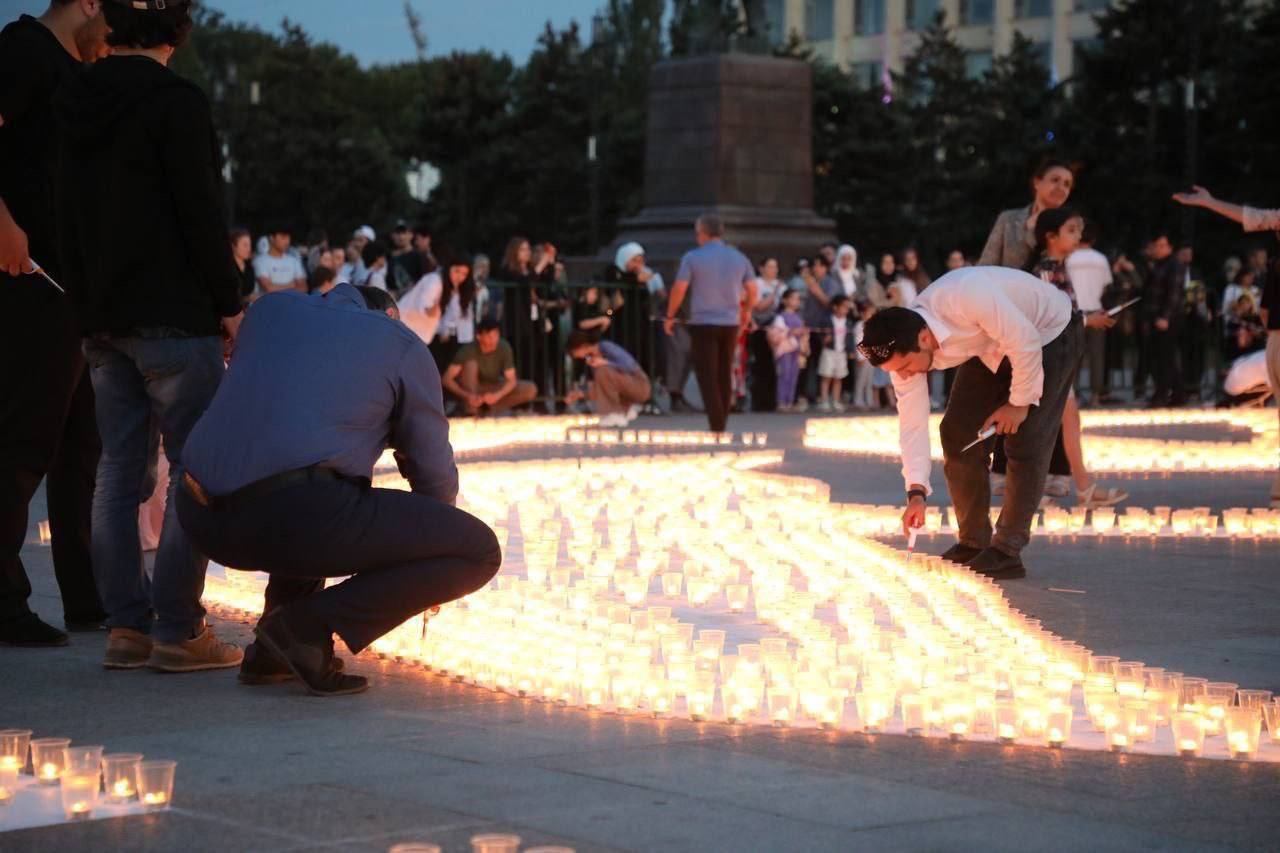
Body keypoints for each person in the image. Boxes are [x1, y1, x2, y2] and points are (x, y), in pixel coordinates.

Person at [178, 282, 498, 694]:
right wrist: (431, 557)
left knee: (317, 486)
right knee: (478, 551)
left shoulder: (268, 310)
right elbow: (433, 471)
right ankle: (303, 629)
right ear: (388, 317)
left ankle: (272, 653)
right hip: (291, 515)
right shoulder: (399, 343)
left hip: (198, 514)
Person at [54, 0, 245, 670]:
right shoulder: (177, 104)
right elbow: (200, 212)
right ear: (177, 29)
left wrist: (83, 300)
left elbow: (61, 211)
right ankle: (177, 628)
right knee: (194, 470)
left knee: (117, 469)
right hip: (172, 313)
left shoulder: (74, 100)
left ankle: (126, 627)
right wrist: (231, 301)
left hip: (102, 318)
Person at [0, 0, 110, 647]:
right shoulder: (21, 52)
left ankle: (89, 598)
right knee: (22, 443)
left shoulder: (78, 74)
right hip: (27, 282)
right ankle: (4, 599)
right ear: (87, 2)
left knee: (81, 447)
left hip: (74, 290)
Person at [859, 266, 1083, 580]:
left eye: (907, 366)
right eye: (898, 371)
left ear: (924, 338)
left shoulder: (966, 295)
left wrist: (1018, 405)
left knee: (1026, 439)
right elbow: (912, 424)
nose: (905, 375)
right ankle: (973, 541)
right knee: (957, 432)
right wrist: (916, 492)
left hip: (1047, 333)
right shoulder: (904, 355)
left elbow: (1025, 340)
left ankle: (1007, 549)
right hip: (989, 346)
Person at [1020, 208, 1127, 508]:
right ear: (1050, 237)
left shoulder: (1059, 267)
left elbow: (1062, 312)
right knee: (1041, 426)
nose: (1078, 236)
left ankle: (1082, 486)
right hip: (1045, 357)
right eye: (1071, 230)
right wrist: (1086, 320)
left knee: (1067, 420)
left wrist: (1084, 318)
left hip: (1058, 356)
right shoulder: (1043, 271)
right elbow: (1044, 317)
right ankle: (1035, 491)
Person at [665, 214, 757, 433]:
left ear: (703, 233)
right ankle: (721, 421)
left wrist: (670, 315)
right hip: (730, 321)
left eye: (697, 232)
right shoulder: (739, 257)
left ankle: (717, 424)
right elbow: (753, 289)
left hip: (703, 322)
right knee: (724, 372)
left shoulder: (692, 257)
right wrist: (746, 311)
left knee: (707, 373)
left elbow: (679, 288)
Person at [979, 159, 1075, 269]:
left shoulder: (1072, 228)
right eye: (1055, 180)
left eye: (1067, 184)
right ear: (1037, 182)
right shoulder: (1008, 219)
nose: (1061, 188)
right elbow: (985, 266)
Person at [441, 318, 537, 416]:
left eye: (496, 335)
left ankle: (486, 408)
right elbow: (446, 379)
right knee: (470, 364)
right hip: (472, 389)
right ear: (479, 336)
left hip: (493, 387)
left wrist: (497, 396)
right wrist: (467, 396)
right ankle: (471, 409)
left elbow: (511, 380)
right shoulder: (468, 351)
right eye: (489, 336)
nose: (494, 339)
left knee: (530, 389)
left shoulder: (504, 347)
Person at [1065, 221, 1114, 406]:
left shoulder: (1068, 259)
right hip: (1096, 308)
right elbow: (1105, 285)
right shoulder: (1101, 259)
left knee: (1073, 355)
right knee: (1096, 355)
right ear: (1093, 239)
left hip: (1073, 311)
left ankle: (1072, 395)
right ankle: (1095, 395)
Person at [566, 330, 651, 427]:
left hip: (639, 385)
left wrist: (605, 362)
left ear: (583, 346)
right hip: (626, 386)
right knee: (601, 375)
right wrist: (580, 393)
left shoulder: (606, 347)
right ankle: (623, 410)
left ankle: (614, 414)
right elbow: (602, 385)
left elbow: (630, 366)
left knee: (603, 371)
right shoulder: (592, 358)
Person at [1142, 232, 1186, 408]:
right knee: (1162, 356)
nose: (1158, 249)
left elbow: (1173, 294)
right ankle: (1177, 394)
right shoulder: (1159, 265)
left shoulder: (1174, 266)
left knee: (1164, 358)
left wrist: (1165, 317)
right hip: (1156, 316)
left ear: (1169, 247)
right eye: (1156, 245)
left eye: (1162, 245)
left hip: (1167, 318)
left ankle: (1162, 395)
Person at [799, 254, 838, 408]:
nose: (815, 269)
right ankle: (805, 396)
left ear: (825, 267)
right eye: (814, 266)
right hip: (809, 327)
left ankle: (821, 396)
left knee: (823, 364)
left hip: (824, 328)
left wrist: (815, 290)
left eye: (818, 265)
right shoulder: (808, 283)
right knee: (806, 362)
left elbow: (831, 303)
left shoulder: (831, 283)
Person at [429, 251, 477, 374]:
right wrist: (445, 330)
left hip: (461, 337)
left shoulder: (465, 291)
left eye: (464, 274)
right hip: (441, 336)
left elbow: (466, 317)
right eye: (456, 271)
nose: (460, 276)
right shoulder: (438, 284)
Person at [748, 257, 782, 411]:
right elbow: (758, 306)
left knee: (775, 366)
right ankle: (759, 402)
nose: (773, 270)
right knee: (761, 365)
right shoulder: (756, 284)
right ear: (761, 268)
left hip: (777, 329)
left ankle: (773, 401)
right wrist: (774, 293)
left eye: (775, 267)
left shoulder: (781, 285)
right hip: (760, 329)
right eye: (769, 266)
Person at [768, 288, 807, 412]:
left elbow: (804, 334)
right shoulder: (780, 317)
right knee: (784, 375)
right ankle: (781, 402)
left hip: (796, 350)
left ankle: (789, 402)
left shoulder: (799, 317)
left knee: (793, 375)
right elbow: (776, 334)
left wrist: (804, 343)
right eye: (793, 298)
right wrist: (791, 332)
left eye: (797, 299)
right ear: (785, 300)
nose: (796, 301)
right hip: (784, 350)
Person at [817, 295, 853, 412]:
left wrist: (850, 350)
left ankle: (836, 400)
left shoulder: (848, 322)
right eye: (844, 307)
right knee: (826, 376)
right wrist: (824, 339)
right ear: (835, 307)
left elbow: (849, 338)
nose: (846, 310)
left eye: (848, 307)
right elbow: (819, 334)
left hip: (841, 352)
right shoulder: (827, 320)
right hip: (829, 351)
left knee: (839, 377)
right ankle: (824, 400)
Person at [253, 227, 306, 296]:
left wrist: (277, 287)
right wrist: (292, 285)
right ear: (271, 238)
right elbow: (269, 288)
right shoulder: (260, 261)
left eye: (288, 238)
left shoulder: (294, 260)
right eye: (283, 237)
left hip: (291, 305)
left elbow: (304, 288)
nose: (287, 241)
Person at [851, 300, 876, 410]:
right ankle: (858, 400)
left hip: (870, 357)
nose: (871, 315)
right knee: (860, 380)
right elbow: (858, 341)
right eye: (869, 313)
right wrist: (860, 356)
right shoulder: (859, 326)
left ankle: (869, 401)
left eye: (873, 313)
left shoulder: (872, 326)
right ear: (862, 313)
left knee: (869, 380)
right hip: (863, 357)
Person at [230, 227, 255, 306]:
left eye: (249, 245)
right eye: (245, 245)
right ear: (233, 246)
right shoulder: (228, 268)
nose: (249, 249)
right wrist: (246, 298)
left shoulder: (249, 266)